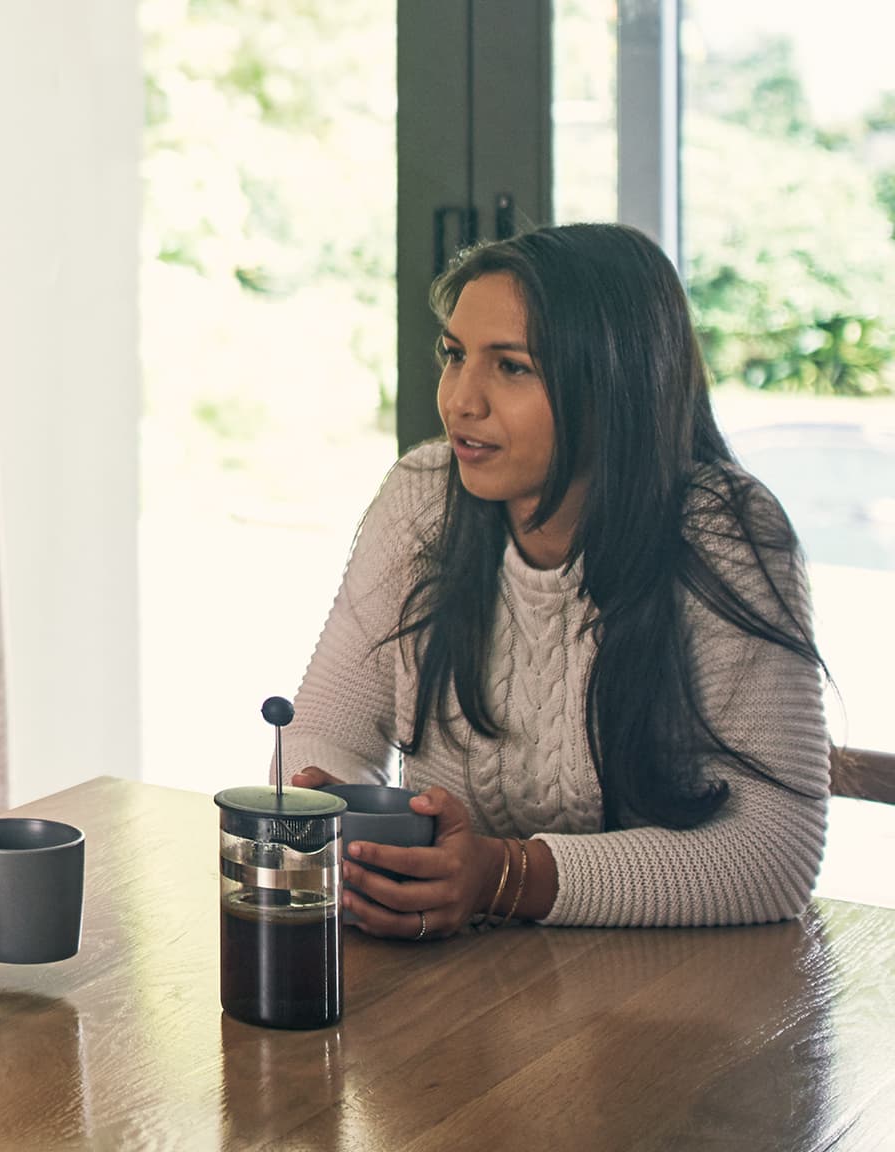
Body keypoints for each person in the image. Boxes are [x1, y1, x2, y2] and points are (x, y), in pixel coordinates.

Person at [285, 223, 829, 938]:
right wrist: (344, 818)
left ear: (615, 384)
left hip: (672, 999)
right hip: (464, 980)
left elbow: (774, 853)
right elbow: (321, 732)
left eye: (511, 367)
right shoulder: (424, 494)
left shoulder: (721, 530)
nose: (460, 402)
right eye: (454, 356)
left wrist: (506, 875)